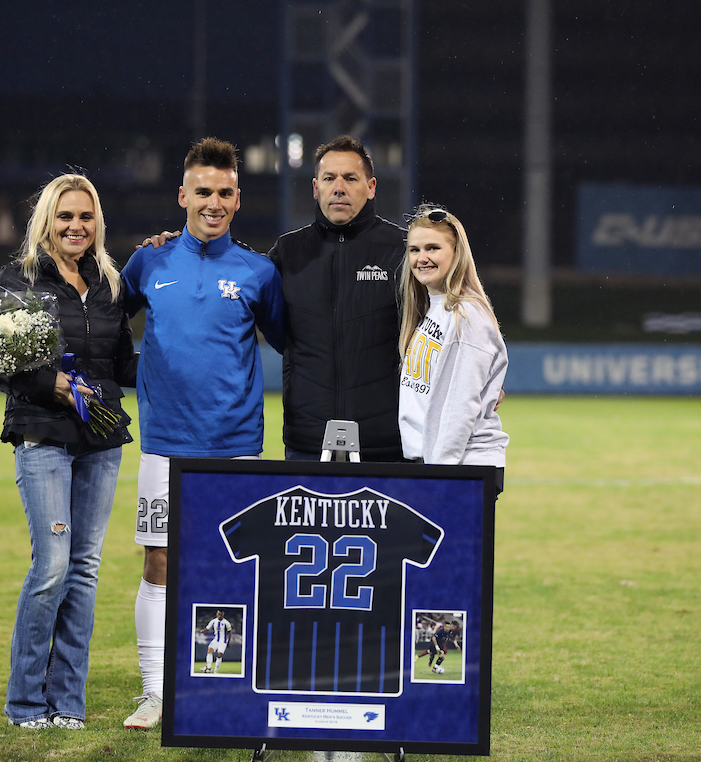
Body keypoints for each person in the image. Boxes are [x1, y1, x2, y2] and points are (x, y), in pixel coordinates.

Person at [119, 137, 285, 729]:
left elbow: (295, 346)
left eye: (224, 192)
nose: (213, 202)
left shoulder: (259, 273)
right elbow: (108, 324)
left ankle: (219, 688)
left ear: (238, 199)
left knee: (229, 567)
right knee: (159, 563)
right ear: (182, 195)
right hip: (165, 444)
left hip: (236, 446)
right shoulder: (149, 262)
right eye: (203, 191)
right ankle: (157, 692)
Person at [143, 135, 406, 461]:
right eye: (329, 178)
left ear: (371, 187)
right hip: (307, 443)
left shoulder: (404, 251)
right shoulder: (287, 253)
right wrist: (177, 245)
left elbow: (447, 309)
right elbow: (271, 324)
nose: (339, 187)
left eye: (350, 178)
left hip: (386, 444)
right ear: (315, 188)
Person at [0, 174, 137, 730]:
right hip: (42, 435)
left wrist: (181, 366)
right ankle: (25, 704)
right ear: (46, 220)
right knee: (51, 567)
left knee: (85, 570)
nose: (76, 226)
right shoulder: (19, 279)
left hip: (100, 441)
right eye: (65, 216)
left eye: (86, 217)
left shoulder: (110, 283)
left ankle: (67, 702)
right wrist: (53, 386)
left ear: (98, 223)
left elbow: (121, 365)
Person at [398, 206, 508, 477]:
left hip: (460, 466)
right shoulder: (434, 307)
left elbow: (460, 404)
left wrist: (440, 474)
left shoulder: (466, 314)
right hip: (439, 462)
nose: (421, 258)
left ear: (456, 253)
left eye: (433, 248)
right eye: (415, 250)